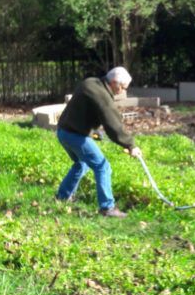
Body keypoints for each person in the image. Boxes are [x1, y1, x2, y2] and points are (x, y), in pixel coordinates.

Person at [55, 67, 142, 218]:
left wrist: (93, 132)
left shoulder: (91, 82)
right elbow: (113, 124)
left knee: (82, 164)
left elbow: (82, 111)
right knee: (103, 167)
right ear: (114, 82)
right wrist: (130, 145)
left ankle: (62, 197)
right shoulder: (102, 95)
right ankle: (107, 208)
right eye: (121, 87)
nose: (121, 91)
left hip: (63, 132)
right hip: (75, 135)